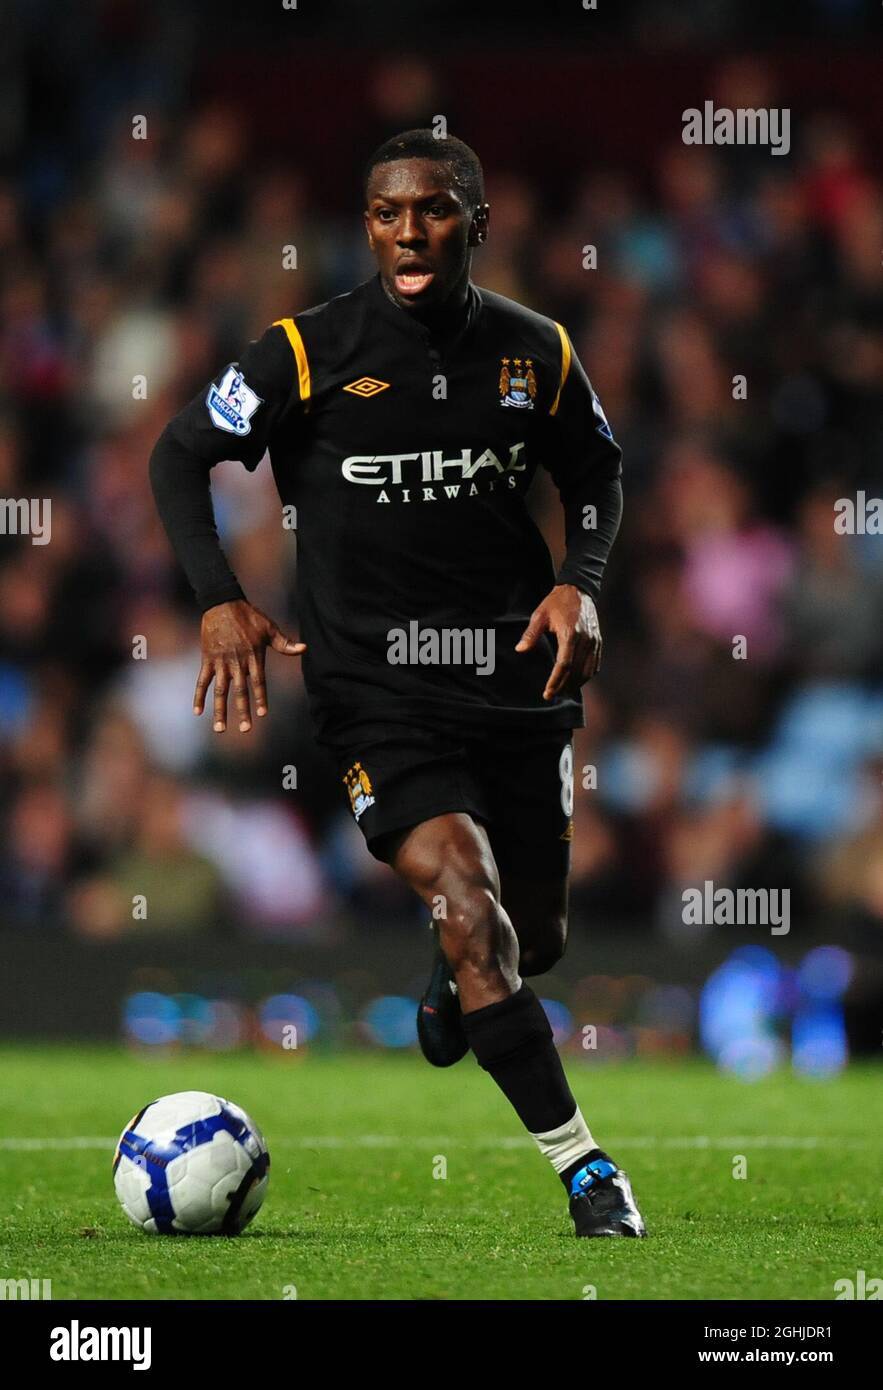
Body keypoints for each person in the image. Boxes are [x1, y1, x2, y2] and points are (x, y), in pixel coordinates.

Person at [150, 128, 645, 1237]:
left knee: (531, 936)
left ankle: (452, 964)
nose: (406, 233)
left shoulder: (537, 351)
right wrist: (217, 595)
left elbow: (599, 473)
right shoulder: (303, 349)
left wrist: (582, 581)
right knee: (474, 910)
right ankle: (584, 1170)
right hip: (374, 691)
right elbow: (178, 451)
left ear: (475, 221)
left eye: (430, 211)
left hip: (517, 683)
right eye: (385, 213)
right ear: (365, 223)